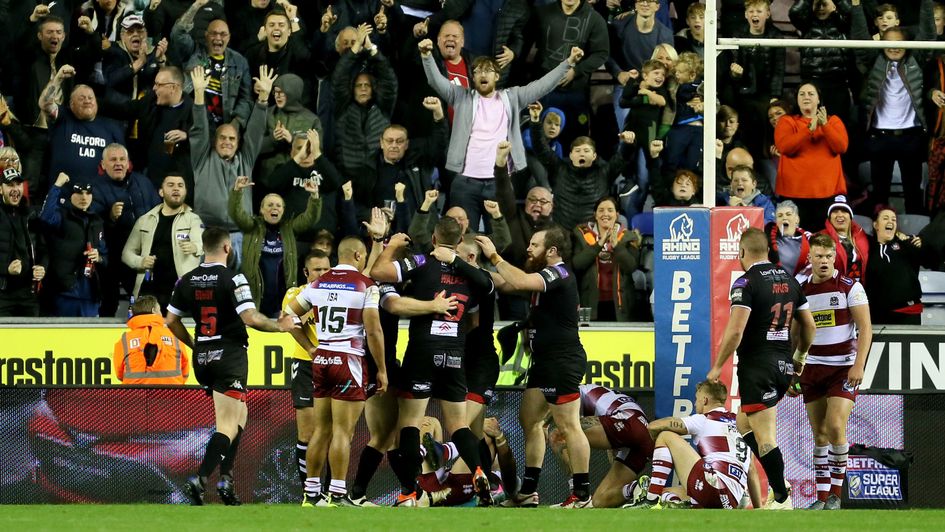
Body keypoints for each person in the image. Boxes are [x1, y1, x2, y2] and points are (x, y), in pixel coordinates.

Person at [369, 219, 495, 507]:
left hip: (423, 350)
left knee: (410, 422)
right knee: (458, 424)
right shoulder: (471, 274)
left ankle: (409, 491)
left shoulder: (422, 262)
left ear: (434, 238)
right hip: (455, 353)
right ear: (460, 239)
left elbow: (378, 272)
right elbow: (485, 293)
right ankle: (478, 469)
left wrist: (391, 246)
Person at [166, 226, 292, 506]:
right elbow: (250, 318)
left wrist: (194, 344)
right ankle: (200, 478)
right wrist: (279, 326)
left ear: (204, 247)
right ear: (227, 248)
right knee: (226, 424)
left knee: (240, 416)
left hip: (203, 357)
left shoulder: (186, 280)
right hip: (229, 355)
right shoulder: (233, 277)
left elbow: (171, 320)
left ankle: (226, 479)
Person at [476, 226, 592, 508]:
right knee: (530, 419)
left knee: (569, 425)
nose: (528, 248)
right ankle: (527, 492)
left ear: (551, 251)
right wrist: (469, 268)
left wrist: (494, 256)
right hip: (544, 362)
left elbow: (518, 281)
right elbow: (505, 282)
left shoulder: (558, 273)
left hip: (562, 360)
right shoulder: (543, 276)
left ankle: (582, 495)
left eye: (534, 244)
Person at [420, 38, 584, 234]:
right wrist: (426, 55)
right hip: (464, 183)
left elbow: (543, 85)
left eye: (488, 70)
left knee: (500, 240)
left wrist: (569, 63)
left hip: (499, 183)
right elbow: (435, 80)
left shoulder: (512, 97)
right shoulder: (461, 96)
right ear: (473, 77)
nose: (483, 74)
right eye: (478, 71)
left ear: (496, 76)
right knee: (464, 239)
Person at [707, 227, 816, 510]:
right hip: (783, 366)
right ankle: (780, 482)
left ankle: (781, 497)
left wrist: (717, 367)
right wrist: (799, 359)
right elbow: (809, 326)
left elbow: (735, 331)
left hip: (757, 367)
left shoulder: (746, 282)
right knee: (744, 423)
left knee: (765, 437)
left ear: (742, 252)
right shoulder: (790, 279)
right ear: (767, 251)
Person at [282, 236, 387, 507]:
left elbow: (287, 317)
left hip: (322, 359)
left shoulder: (317, 284)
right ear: (358, 256)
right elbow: (374, 330)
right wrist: (382, 369)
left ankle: (311, 494)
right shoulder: (366, 285)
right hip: (348, 360)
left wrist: (310, 347)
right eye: (364, 257)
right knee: (343, 431)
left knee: (321, 430)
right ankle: (338, 494)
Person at [795, 233, 873, 510]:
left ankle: (836, 496)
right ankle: (821, 497)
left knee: (835, 426)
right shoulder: (801, 289)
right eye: (819, 256)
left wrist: (859, 364)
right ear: (810, 258)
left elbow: (866, 328)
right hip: (811, 369)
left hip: (842, 370)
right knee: (819, 434)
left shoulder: (850, 287)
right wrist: (793, 367)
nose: (824, 261)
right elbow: (795, 332)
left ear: (835, 258)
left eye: (829, 256)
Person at [852, 0, 937, 214]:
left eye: (899, 42)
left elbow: (928, 35)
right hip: (880, 137)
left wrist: (927, 3)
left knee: (913, 194)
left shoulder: (916, 60)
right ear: (880, 43)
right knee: (879, 195)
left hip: (911, 137)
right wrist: (856, 6)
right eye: (889, 42)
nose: (894, 47)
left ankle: (914, 231)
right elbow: (860, 39)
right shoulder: (874, 61)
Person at [189, 64, 276, 269]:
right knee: (207, 284)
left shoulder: (245, 160)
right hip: (206, 234)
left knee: (239, 284)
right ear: (214, 141)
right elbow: (200, 128)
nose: (227, 142)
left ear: (238, 143)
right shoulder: (202, 158)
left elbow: (255, 132)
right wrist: (199, 94)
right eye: (222, 137)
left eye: (232, 138)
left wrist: (263, 98)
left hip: (239, 236)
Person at [625, 380, 761, 510]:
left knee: (665, 436)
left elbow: (653, 426)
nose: (695, 404)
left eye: (696, 399)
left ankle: (651, 500)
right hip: (731, 500)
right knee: (665, 492)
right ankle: (675, 502)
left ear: (705, 400)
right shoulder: (740, 424)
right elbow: (752, 470)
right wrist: (758, 508)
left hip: (713, 487)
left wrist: (658, 446)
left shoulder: (704, 419)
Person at [228, 174, 321, 318]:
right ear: (261, 209)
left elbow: (310, 218)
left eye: (278, 205)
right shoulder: (252, 227)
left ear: (283, 210)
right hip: (256, 298)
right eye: (270, 205)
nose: (274, 208)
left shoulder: (289, 229)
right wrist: (237, 191)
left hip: (283, 298)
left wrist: (314, 196)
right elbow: (236, 214)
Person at [548, 384, 653, 508]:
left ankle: (577, 496)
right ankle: (638, 487)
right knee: (600, 500)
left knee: (558, 436)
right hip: (644, 435)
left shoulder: (573, 391)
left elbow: (551, 413)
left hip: (627, 420)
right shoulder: (601, 396)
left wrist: (540, 425)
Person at [90, 144, 161, 317]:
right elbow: (91, 223)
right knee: (109, 304)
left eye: (122, 159)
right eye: (113, 160)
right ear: (103, 164)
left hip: (141, 255)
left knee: (144, 303)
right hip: (112, 257)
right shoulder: (95, 188)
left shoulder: (143, 182)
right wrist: (110, 217)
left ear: (128, 162)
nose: (118, 163)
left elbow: (158, 211)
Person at [280, 250, 332, 489]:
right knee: (307, 433)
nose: (322, 274)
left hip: (334, 364)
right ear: (305, 272)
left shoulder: (340, 292)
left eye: (326, 269)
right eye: (317, 270)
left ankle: (332, 491)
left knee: (333, 432)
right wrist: (311, 348)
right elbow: (288, 321)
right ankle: (309, 491)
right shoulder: (296, 294)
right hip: (306, 365)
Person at [122, 173, 204, 313]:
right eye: (171, 185)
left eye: (180, 186)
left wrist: (194, 247)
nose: (176, 188)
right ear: (161, 192)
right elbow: (126, 254)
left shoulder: (194, 220)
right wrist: (141, 261)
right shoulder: (145, 220)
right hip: (149, 290)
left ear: (185, 191)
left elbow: (202, 245)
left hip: (181, 290)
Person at [774, 83, 849, 231]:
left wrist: (825, 125)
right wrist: (808, 129)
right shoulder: (786, 121)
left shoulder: (833, 121)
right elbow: (784, 147)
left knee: (824, 239)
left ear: (819, 99)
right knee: (794, 238)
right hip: (793, 193)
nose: (806, 97)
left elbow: (841, 147)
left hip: (827, 193)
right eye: (801, 94)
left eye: (810, 93)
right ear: (796, 99)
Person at [39, 173, 108, 317]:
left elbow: (105, 257)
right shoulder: (61, 216)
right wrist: (57, 186)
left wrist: (99, 257)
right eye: (79, 193)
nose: (84, 197)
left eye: (88, 193)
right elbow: (45, 217)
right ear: (70, 195)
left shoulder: (97, 221)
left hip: (90, 295)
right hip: (65, 293)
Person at [39, 75, 125, 187]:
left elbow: (123, 164)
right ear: (71, 104)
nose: (87, 101)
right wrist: (58, 79)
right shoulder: (62, 117)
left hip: (99, 194)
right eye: (81, 98)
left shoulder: (111, 127)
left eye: (90, 98)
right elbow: (45, 104)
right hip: (63, 193)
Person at [175, 16, 253, 129]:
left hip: (223, 126)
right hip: (190, 124)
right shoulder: (193, 52)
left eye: (223, 34)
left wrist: (234, 126)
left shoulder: (239, 62)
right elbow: (178, 33)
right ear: (206, 35)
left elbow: (246, 99)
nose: (218, 38)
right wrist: (196, 7)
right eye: (213, 33)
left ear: (229, 37)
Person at [572, 196, 643, 321]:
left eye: (610, 210)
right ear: (595, 215)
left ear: (617, 214)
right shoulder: (581, 235)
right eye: (601, 210)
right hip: (590, 302)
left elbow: (631, 267)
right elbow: (577, 264)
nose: (605, 214)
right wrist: (599, 244)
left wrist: (616, 246)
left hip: (621, 303)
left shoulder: (628, 237)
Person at [606, 0, 673, 131]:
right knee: (626, 133)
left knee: (648, 134)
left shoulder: (665, 34)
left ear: (658, 6)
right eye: (641, 0)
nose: (645, 4)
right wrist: (618, 73)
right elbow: (606, 54)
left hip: (653, 88)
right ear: (635, 5)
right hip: (626, 84)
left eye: (650, 1)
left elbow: (668, 65)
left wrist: (649, 83)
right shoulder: (619, 26)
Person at [0, 168, 46, 317]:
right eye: (10, 185)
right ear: (0, 189)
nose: (15, 189)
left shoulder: (31, 215)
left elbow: (44, 249)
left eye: (18, 184)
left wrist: (42, 267)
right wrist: (6, 269)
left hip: (29, 294)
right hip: (3, 295)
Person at [113, 295, 189, 385]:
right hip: (171, 392)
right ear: (153, 310)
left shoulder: (124, 340)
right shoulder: (174, 336)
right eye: (159, 310)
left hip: (134, 393)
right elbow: (185, 371)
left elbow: (119, 374)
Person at [865, 207, 924, 324]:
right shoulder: (867, 247)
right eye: (885, 218)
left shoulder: (906, 244)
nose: (890, 221)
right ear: (876, 225)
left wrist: (923, 243)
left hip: (908, 312)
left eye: (893, 220)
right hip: (877, 314)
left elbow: (930, 257)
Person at [820, 195, 870, 283]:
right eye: (835, 211)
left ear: (850, 216)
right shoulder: (820, 238)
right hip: (833, 288)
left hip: (859, 288)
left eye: (844, 211)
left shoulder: (861, 235)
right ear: (829, 217)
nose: (839, 215)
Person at [765, 200, 813, 276]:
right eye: (780, 216)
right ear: (776, 221)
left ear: (797, 219)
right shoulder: (768, 240)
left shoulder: (809, 239)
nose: (784, 218)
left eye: (788, 214)